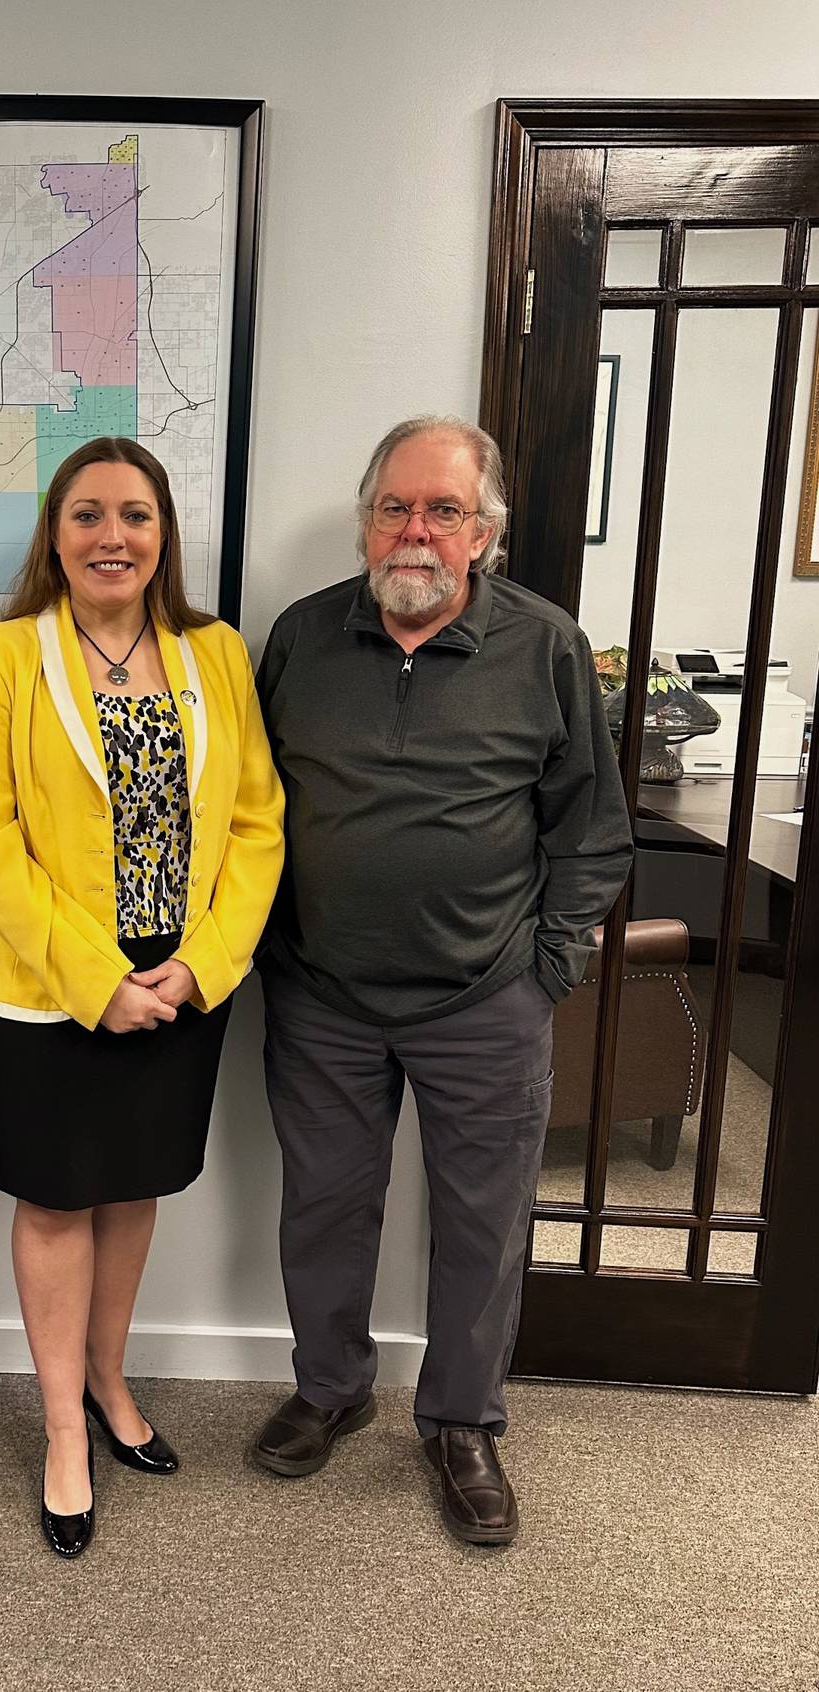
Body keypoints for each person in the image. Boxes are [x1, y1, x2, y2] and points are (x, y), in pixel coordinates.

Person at [251, 416, 632, 1546]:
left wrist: (546, 965)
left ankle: (462, 1420)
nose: (415, 531)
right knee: (322, 1208)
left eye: (444, 511)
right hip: (323, 998)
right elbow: (250, 807)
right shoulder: (303, 637)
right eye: (395, 508)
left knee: (482, 1222)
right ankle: (330, 1387)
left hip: (485, 998)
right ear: (367, 520)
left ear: (486, 533)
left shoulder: (547, 645)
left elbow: (592, 831)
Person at [0, 436, 284, 1558]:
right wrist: (97, 981)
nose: (112, 537)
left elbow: (255, 823)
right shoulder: (0, 657)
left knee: (132, 1189)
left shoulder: (215, 652)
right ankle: (61, 1435)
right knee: (55, 1199)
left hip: (182, 983)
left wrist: (204, 965)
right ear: (55, 533)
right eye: (87, 515)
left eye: (134, 515)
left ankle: (109, 1380)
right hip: (43, 988)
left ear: (164, 532)